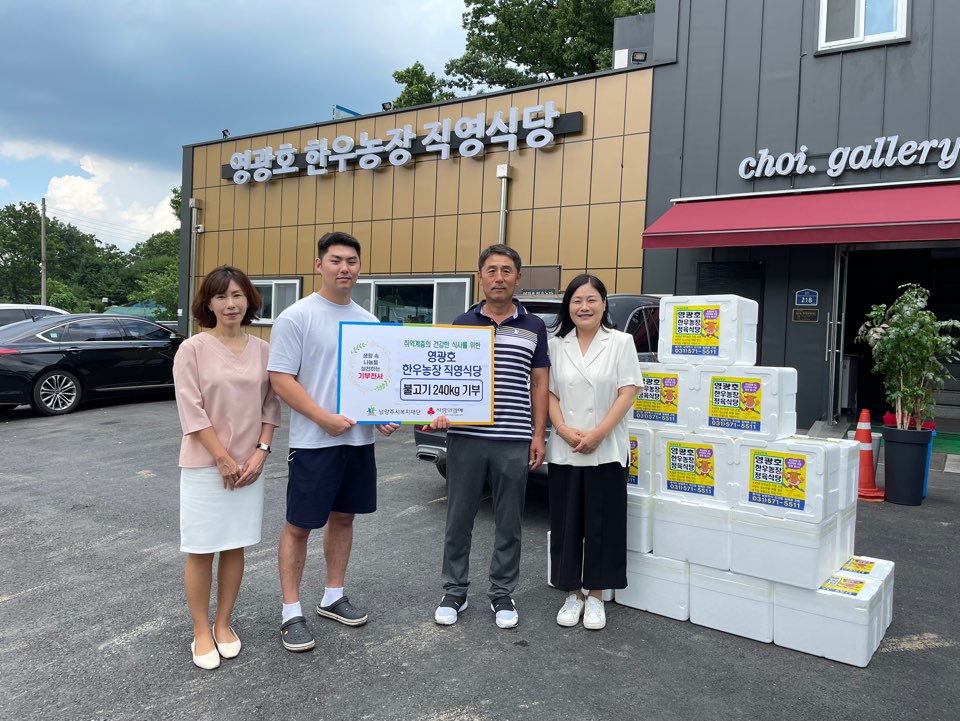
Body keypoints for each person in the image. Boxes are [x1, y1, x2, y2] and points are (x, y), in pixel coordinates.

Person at [268, 231, 399, 652]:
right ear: (319, 264)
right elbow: (280, 379)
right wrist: (322, 418)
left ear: (360, 268)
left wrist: (383, 415)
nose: (345, 268)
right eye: (336, 260)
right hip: (313, 442)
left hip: (358, 442)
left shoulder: (369, 321)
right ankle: (291, 610)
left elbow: (375, 381)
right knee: (299, 525)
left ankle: (332, 595)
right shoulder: (297, 317)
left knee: (344, 518)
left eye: (352, 261)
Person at [429, 244, 549, 629]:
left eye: (506, 270)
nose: (499, 278)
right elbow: (446, 376)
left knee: (509, 521)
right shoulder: (462, 323)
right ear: (480, 277)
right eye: (492, 270)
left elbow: (540, 384)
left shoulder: (534, 326)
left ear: (518, 277)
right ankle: (454, 591)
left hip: (513, 439)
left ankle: (502, 593)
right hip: (466, 437)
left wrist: (538, 434)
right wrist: (437, 413)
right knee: (458, 517)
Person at [173, 265, 281, 670]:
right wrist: (221, 457)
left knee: (235, 544)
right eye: (221, 296)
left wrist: (261, 452)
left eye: (237, 295)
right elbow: (191, 408)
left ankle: (223, 623)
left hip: (249, 465)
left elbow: (270, 406)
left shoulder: (263, 350)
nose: (230, 303)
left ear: (249, 300)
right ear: (208, 303)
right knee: (201, 548)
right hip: (205, 464)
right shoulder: (192, 349)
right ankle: (201, 629)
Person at [546, 274, 642, 630]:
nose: (583, 307)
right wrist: (563, 429)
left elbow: (628, 392)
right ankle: (573, 593)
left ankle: (597, 595)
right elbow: (549, 393)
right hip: (566, 447)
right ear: (568, 306)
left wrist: (599, 434)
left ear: (603, 304)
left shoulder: (621, 342)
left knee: (603, 524)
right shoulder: (556, 345)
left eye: (591, 300)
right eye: (576, 300)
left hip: (607, 447)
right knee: (567, 523)